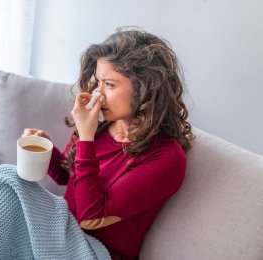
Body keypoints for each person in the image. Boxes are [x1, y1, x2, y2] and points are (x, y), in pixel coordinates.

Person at [23, 27, 195, 259]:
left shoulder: (167, 158)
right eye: (98, 82)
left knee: (4, 182)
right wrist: (46, 148)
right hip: (61, 234)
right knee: (5, 181)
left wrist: (86, 136)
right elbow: (68, 176)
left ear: (144, 89)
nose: (98, 94)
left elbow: (91, 218)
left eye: (110, 85)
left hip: (93, 252)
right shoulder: (102, 125)